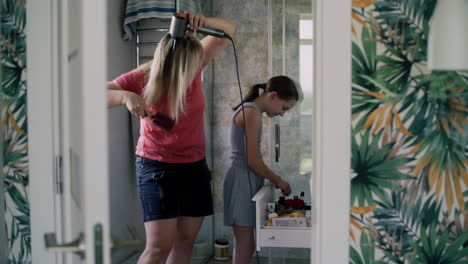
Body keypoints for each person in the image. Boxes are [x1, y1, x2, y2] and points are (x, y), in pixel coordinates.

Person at [107, 11, 235, 264]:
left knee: (186, 242)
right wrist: (126, 96)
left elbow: (229, 30)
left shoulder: (196, 66)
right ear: (173, 63)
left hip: (194, 167)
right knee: (158, 248)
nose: (197, 68)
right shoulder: (142, 77)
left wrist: (204, 22)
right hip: (156, 167)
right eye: (190, 65)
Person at [223, 76, 299, 264]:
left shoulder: (253, 110)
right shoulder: (251, 112)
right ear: (272, 96)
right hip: (242, 181)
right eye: (284, 108)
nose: (282, 114)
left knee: (246, 244)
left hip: (246, 180)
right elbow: (252, 159)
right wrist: (278, 180)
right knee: (245, 244)